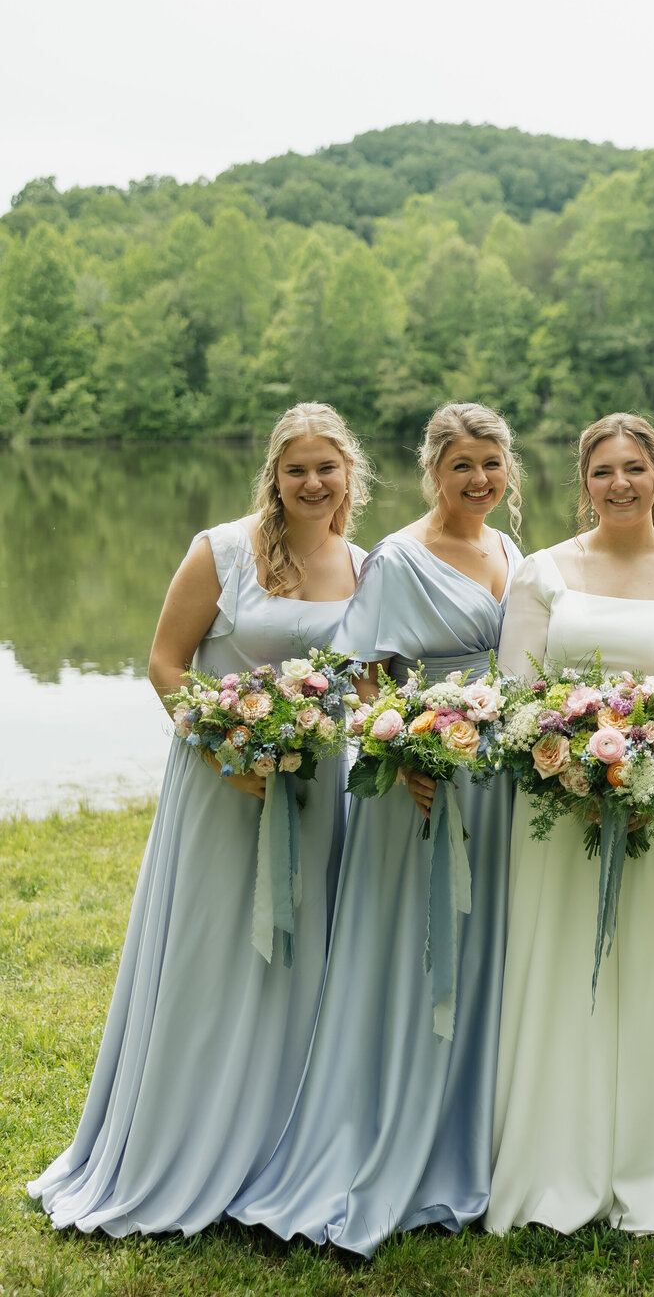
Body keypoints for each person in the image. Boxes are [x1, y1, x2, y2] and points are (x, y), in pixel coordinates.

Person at [29, 403, 371, 1236]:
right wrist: (230, 748)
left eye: (326, 466)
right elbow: (166, 664)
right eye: (297, 468)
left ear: (349, 473)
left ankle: (281, 1149)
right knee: (214, 950)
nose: (312, 482)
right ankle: (179, 1142)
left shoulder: (366, 564)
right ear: (274, 474)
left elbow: (366, 683)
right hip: (224, 784)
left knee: (305, 957)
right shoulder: (222, 549)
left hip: (320, 786)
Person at [230, 402, 522, 1254]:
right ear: (433, 469)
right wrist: (413, 750)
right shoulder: (399, 556)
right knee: (411, 949)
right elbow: (361, 670)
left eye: (491, 464)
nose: (478, 480)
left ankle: (474, 1130)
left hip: (497, 776)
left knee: (480, 947)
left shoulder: (509, 550)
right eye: (461, 464)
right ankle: (391, 1131)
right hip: (422, 784)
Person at [486, 413, 654, 1235]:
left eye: (635, 468)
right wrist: (578, 767)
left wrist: (648, 773)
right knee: (564, 968)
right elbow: (518, 695)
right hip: (558, 810)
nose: (620, 483)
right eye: (603, 471)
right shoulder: (541, 574)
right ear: (583, 482)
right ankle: (556, 1155)